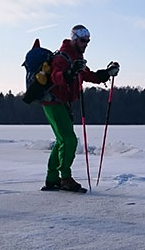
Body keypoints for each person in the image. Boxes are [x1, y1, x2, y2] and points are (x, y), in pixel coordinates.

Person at [41, 25, 120, 193]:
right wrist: (69, 73)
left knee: (62, 141)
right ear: (75, 39)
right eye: (83, 40)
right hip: (53, 103)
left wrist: (107, 73)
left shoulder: (76, 58)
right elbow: (56, 76)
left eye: (88, 41)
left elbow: (89, 76)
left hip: (61, 104)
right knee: (69, 140)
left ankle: (52, 178)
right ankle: (65, 178)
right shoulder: (63, 57)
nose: (86, 44)